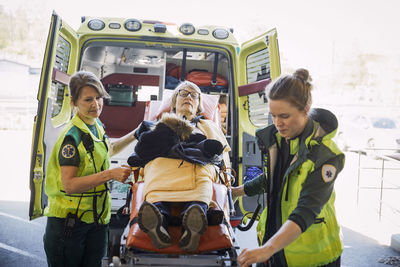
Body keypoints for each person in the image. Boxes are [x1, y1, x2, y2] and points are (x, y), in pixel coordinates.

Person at [232, 69, 345, 267]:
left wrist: (266, 249)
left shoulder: (325, 155)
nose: (278, 123)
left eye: (284, 116)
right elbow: (274, 179)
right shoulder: (278, 140)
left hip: (312, 256)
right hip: (275, 245)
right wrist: (237, 191)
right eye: (273, 115)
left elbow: (306, 210)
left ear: (306, 110)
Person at [43, 71, 137, 267]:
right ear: (74, 102)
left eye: (98, 98)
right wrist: (111, 174)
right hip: (69, 226)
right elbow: (69, 185)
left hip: (96, 222)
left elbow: (106, 150)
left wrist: (136, 134)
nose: (96, 104)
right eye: (88, 100)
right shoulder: (72, 138)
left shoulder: (95, 125)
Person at [128, 80, 231, 251]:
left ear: (199, 105)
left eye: (194, 95)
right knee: (155, 168)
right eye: (183, 93)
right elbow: (142, 153)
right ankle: (157, 220)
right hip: (161, 167)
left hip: (197, 166)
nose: (188, 97)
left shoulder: (208, 126)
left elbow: (222, 157)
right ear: (174, 101)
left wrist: (228, 183)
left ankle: (193, 220)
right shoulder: (158, 125)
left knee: (203, 174)